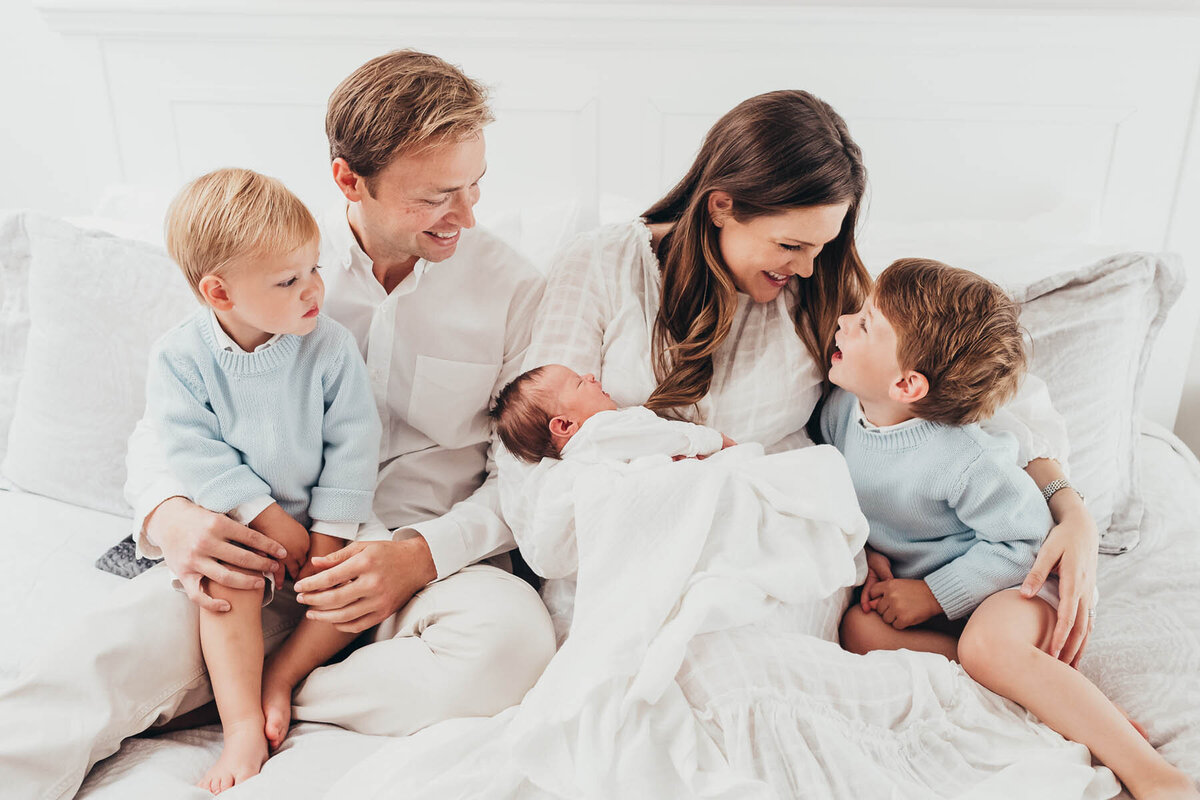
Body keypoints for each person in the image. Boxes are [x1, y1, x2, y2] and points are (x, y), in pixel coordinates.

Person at [0, 50, 556, 800]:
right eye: (435, 196)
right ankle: (225, 694)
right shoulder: (269, 254)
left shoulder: (514, 287)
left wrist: (422, 556)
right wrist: (172, 517)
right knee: (88, 665)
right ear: (349, 181)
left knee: (515, 647)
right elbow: (171, 417)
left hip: (423, 570)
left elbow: (530, 471)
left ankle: (269, 694)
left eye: (474, 185)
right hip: (266, 555)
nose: (465, 215)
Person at [510, 89, 1101, 789]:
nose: (810, 268)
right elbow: (527, 444)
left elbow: (976, 388)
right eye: (791, 244)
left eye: (823, 246)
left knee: (724, 677)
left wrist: (1068, 504)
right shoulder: (605, 266)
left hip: (781, 556)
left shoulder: (821, 291)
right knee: (637, 699)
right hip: (628, 548)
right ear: (722, 204)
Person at [829, 258, 1197, 800]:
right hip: (933, 599)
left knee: (987, 644)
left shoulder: (966, 457)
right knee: (859, 634)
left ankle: (1156, 776)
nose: (842, 321)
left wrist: (933, 593)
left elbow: (1024, 545)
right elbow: (829, 478)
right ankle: (1052, 695)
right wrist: (863, 548)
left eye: (865, 324)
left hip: (1014, 585)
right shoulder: (842, 408)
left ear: (907, 383)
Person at [150, 167, 386, 792]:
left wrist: (328, 537)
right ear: (220, 293)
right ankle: (241, 728)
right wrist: (265, 518)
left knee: (356, 585)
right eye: (289, 280)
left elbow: (355, 444)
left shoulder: (328, 346)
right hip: (242, 519)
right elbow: (190, 450)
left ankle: (284, 670)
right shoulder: (180, 357)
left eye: (314, 267)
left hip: (333, 514)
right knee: (226, 591)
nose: (314, 289)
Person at [490, 363, 734, 464]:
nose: (590, 376)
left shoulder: (588, 448)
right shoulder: (598, 433)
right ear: (564, 425)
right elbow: (661, 437)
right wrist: (715, 440)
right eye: (579, 383)